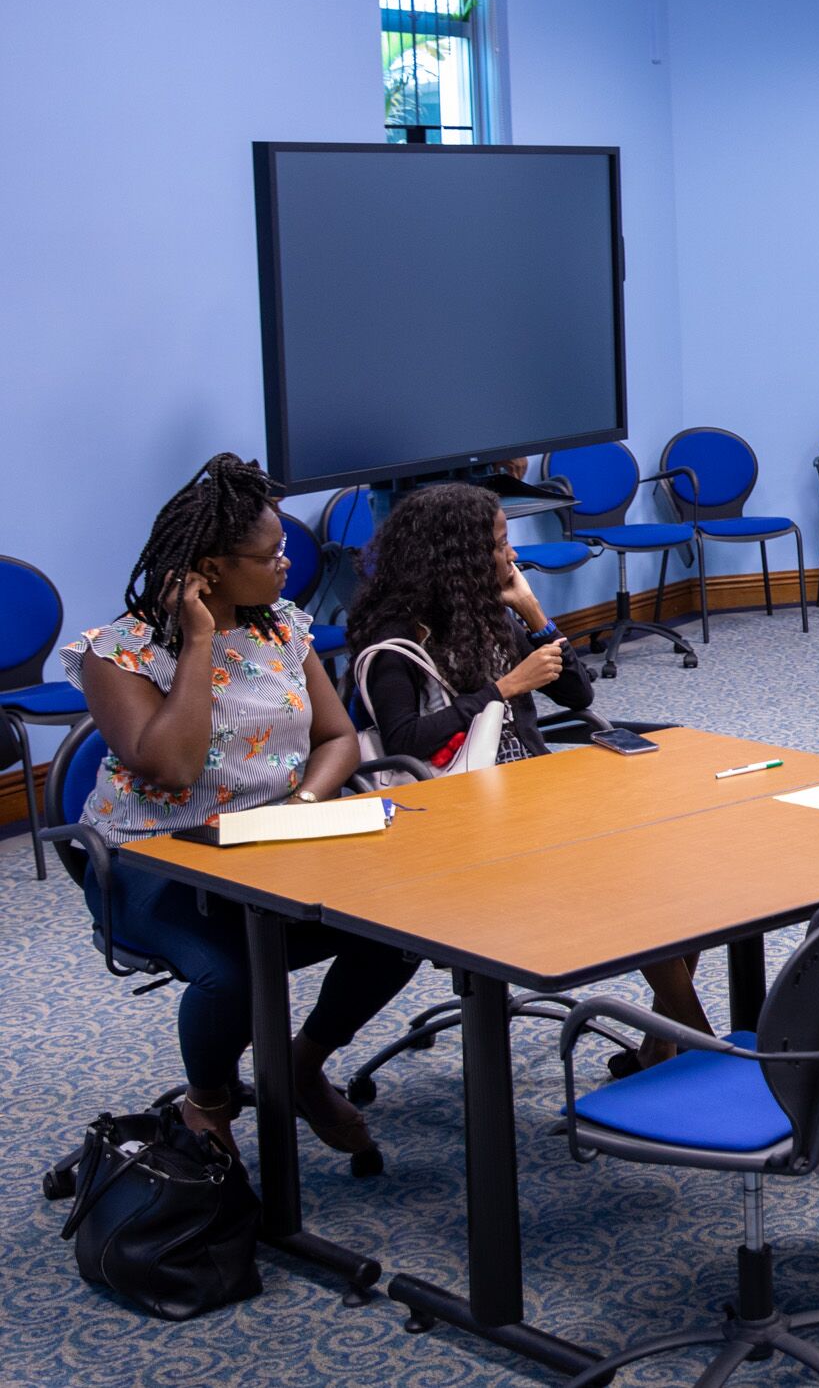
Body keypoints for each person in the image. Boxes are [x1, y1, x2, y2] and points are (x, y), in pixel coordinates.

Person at [60, 455, 420, 1167]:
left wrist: (308, 803)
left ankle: (300, 1064)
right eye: (270, 554)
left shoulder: (282, 624)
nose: (288, 563)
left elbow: (339, 736)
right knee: (231, 974)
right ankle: (209, 1101)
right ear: (210, 570)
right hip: (152, 861)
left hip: (272, 845)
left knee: (402, 931)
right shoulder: (119, 653)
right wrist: (199, 640)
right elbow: (172, 765)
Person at [345, 482, 713, 1076]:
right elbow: (404, 743)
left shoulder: (488, 616)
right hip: (464, 832)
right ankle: (700, 1043)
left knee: (678, 868)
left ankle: (665, 1043)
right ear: (458, 556)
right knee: (641, 891)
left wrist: (535, 616)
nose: (511, 556)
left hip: (536, 802)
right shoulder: (398, 642)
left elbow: (577, 693)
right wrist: (503, 688)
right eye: (499, 544)